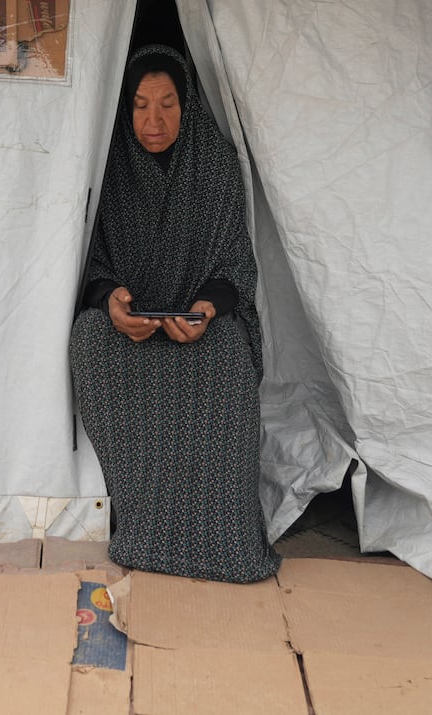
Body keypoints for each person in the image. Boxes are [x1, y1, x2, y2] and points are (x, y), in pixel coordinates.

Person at [70, 44, 281, 583]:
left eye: (167, 104)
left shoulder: (212, 165)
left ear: (186, 106)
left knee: (230, 355)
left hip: (196, 327)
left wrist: (206, 309)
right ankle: (142, 523)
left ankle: (225, 538)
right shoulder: (110, 164)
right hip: (134, 331)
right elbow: (91, 262)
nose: (154, 120)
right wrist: (112, 301)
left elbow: (235, 262)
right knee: (91, 339)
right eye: (140, 105)